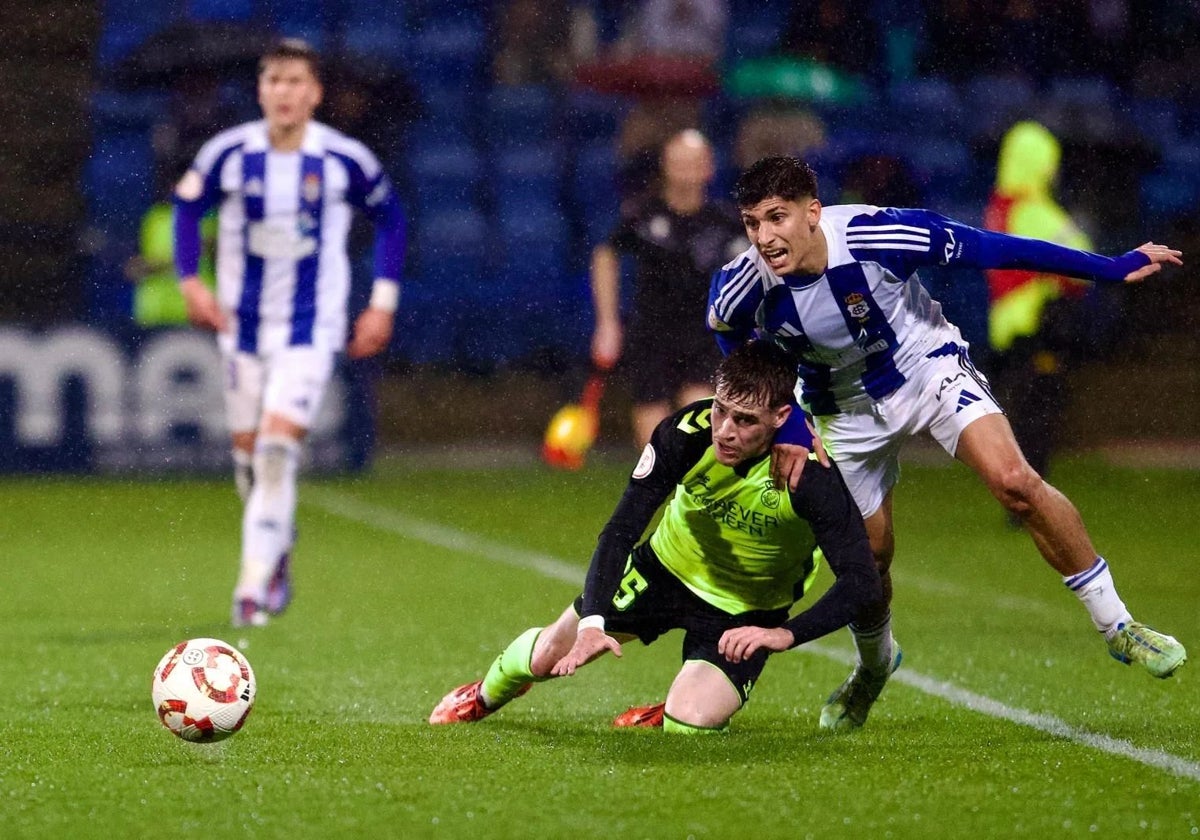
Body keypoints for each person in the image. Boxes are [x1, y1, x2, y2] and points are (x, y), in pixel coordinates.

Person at [707, 156, 1187, 729]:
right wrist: (787, 429)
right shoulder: (740, 287)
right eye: (751, 222)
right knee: (870, 557)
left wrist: (1107, 268)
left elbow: (992, 248)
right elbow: (738, 350)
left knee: (1015, 483)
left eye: (776, 218)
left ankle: (1118, 626)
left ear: (813, 213)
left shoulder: (875, 234)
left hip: (925, 368)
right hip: (840, 409)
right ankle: (875, 664)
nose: (764, 237)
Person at [429, 340, 883, 734]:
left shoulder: (810, 477)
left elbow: (861, 580)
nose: (724, 430)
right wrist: (592, 624)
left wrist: (785, 633)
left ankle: (670, 712)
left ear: (782, 417)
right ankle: (482, 696)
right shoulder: (686, 434)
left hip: (747, 609)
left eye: (745, 421)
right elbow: (621, 529)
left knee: (693, 724)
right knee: (549, 655)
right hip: (664, 569)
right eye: (721, 409)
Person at [173, 38, 406, 627]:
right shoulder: (228, 152)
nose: (285, 92)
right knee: (248, 463)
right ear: (260, 90)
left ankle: (249, 589)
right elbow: (185, 209)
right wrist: (190, 282)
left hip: (311, 327)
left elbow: (391, 220)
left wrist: (381, 303)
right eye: (275, 81)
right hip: (242, 329)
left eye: (297, 82)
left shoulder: (343, 158)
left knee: (278, 451)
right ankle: (276, 552)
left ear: (316, 93)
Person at [590, 129, 748, 448]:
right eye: (679, 163)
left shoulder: (728, 222)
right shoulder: (641, 215)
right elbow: (606, 254)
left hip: (705, 336)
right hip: (651, 335)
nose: (686, 172)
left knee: (701, 433)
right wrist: (607, 323)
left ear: (709, 168)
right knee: (655, 443)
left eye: (694, 163)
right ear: (665, 167)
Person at [984, 121, 1093, 484]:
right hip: (1038, 324)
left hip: (1006, 326)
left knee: (1017, 413)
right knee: (1037, 417)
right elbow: (1084, 261)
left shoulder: (997, 209)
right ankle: (1029, 492)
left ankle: (1017, 489)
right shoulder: (1034, 211)